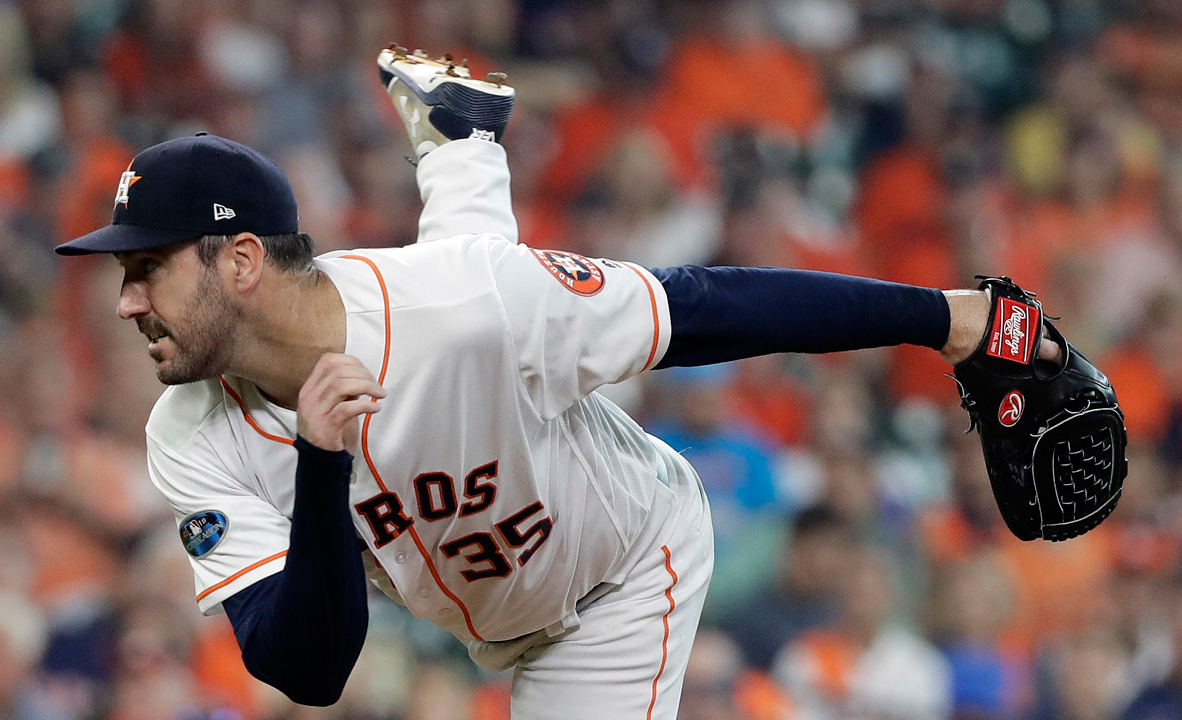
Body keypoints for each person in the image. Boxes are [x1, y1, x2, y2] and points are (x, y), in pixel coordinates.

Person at [53, 47, 1056, 719]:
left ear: (236, 262)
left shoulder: (465, 305)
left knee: (486, 306)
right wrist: (321, 466)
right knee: (481, 304)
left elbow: (699, 309)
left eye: (146, 268)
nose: (125, 301)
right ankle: (462, 147)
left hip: (619, 568)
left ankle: (462, 148)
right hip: (487, 603)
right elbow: (305, 671)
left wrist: (949, 320)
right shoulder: (187, 433)